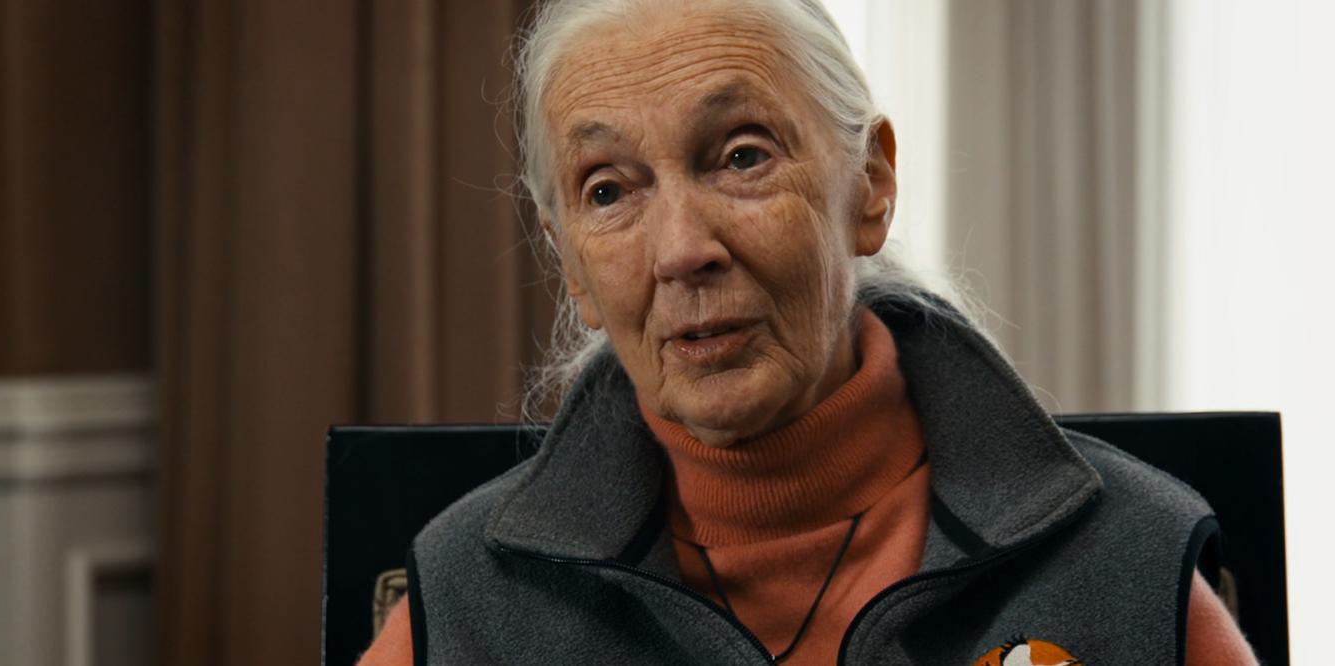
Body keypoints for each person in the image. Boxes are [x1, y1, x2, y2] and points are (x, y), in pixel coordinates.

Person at [361, 0, 1258, 663]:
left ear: (870, 185)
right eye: (608, 190)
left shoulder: (1126, 561)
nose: (681, 249)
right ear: (569, 264)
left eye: (742, 156)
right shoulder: (467, 601)